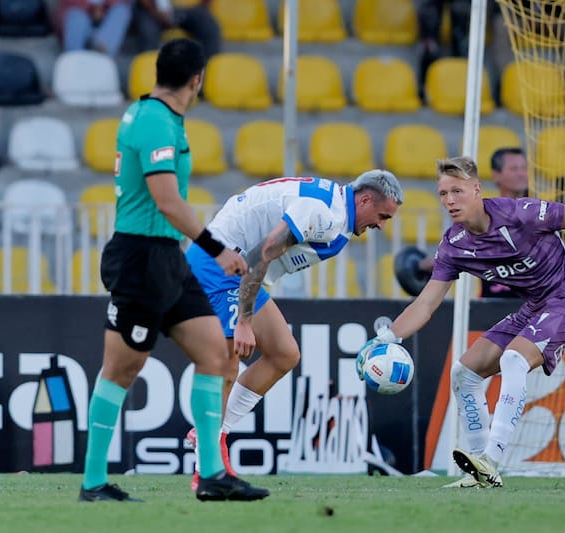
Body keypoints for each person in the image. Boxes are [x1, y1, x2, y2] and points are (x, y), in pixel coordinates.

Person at [360, 155, 565, 489]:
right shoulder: (454, 245)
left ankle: (491, 459)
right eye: (443, 194)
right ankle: (477, 472)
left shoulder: (520, 213)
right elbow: (426, 304)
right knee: (465, 373)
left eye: (457, 191)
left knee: (513, 358)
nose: (450, 201)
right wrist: (387, 337)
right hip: (535, 308)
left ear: (477, 190)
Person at [78, 38, 269, 503]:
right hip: (141, 260)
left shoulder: (151, 115)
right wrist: (216, 248)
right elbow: (166, 201)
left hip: (167, 260)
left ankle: (211, 475)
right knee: (121, 370)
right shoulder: (155, 122)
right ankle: (93, 483)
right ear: (197, 80)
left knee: (215, 355)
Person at [184, 170, 404, 487]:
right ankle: (208, 466)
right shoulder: (322, 212)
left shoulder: (339, 214)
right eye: (382, 216)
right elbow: (259, 254)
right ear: (365, 199)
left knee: (284, 354)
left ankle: (216, 431)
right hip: (220, 262)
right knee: (229, 361)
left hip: (243, 269)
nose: (381, 225)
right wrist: (244, 321)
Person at [407, 147, 529, 298]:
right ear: (496, 175)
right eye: (514, 168)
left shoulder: (539, 212)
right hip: (493, 304)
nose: (521, 173)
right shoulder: (484, 212)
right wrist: (425, 265)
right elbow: (460, 247)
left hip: (534, 305)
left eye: (524, 168)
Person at [134, 0, 222, 59]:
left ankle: (206, 78)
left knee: (209, 26)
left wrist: (201, 8)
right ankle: (149, 77)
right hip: (152, 9)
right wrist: (156, 12)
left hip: (189, 9)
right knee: (148, 30)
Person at [54, 0, 132, 57]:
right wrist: (92, 8)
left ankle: (100, 53)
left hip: (104, 25)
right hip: (79, 18)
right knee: (77, 18)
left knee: (121, 10)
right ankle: (74, 60)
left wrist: (103, 8)